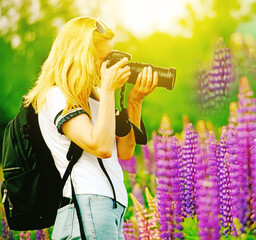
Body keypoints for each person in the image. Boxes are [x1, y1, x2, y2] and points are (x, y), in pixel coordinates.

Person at [23, 16, 158, 239]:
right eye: (104, 58)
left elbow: (124, 151)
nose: (110, 65)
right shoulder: (57, 96)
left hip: (109, 209)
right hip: (87, 207)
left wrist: (135, 101)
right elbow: (101, 147)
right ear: (82, 56)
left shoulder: (95, 98)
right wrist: (107, 91)